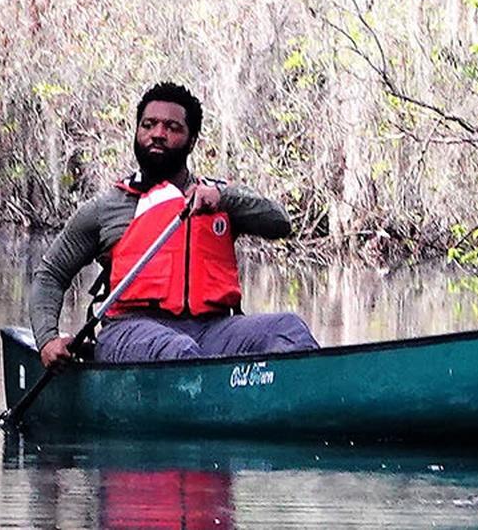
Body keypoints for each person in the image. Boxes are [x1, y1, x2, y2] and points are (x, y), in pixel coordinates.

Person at [27, 82, 319, 366]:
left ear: (192, 141)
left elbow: (280, 222)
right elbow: (51, 274)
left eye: (172, 128)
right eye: (148, 124)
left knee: (288, 328)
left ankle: (302, 409)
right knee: (178, 350)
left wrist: (223, 198)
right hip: (130, 331)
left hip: (213, 330)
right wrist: (48, 339)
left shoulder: (215, 198)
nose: (158, 134)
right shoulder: (106, 208)